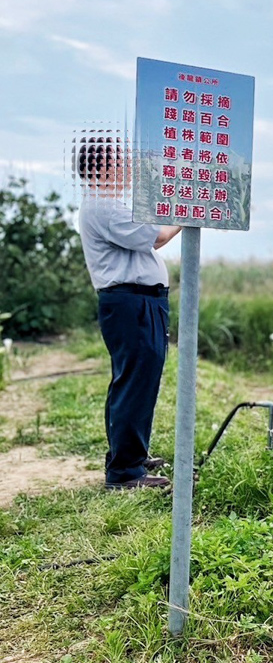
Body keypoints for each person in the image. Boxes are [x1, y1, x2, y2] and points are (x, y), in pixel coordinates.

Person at [77, 135, 181, 490]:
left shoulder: (105, 203)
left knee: (135, 381)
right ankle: (124, 473)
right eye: (121, 160)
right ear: (101, 166)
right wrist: (189, 211)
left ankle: (131, 458)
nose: (128, 167)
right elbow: (157, 237)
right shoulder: (103, 205)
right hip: (131, 303)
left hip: (136, 302)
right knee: (134, 382)